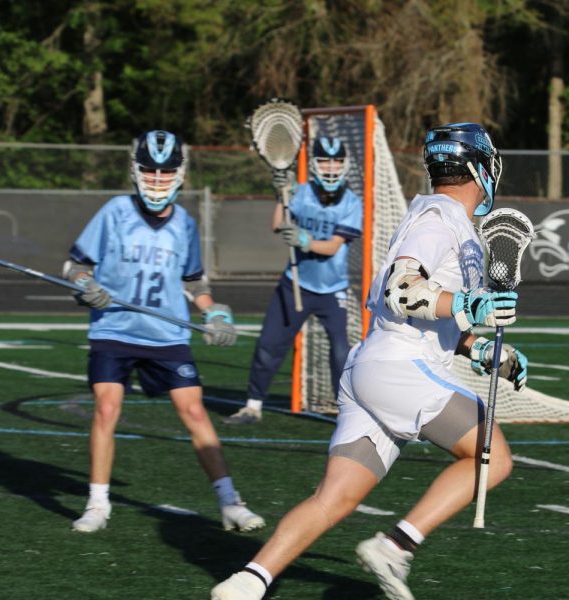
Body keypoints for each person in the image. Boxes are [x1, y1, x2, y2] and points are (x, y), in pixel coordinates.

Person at [211, 122, 528, 600]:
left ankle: (247, 582)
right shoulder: (439, 218)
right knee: (492, 457)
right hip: (400, 367)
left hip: (375, 368)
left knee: (333, 499)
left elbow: (436, 319)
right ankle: (396, 546)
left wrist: (479, 347)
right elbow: (401, 290)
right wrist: (470, 307)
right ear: (481, 167)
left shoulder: (447, 220)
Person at [66, 130, 265, 534]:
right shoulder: (114, 212)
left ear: (180, 174)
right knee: (107, 408)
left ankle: (230, 502)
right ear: (136, 172)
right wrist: (86, 287)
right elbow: (74, 266)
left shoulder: (185, 224)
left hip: (166, 336)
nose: (157, 181)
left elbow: (194, 282)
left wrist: (216, 314)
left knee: (194, 411)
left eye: (166, 173)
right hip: (115, 329)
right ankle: (98, 504)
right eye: (150, 173)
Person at [223, 135, 363, 424]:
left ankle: (347, 412)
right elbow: (278, 224)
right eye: (325, 160)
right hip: (295, 283)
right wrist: (281, 196)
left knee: (340, 350)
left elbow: (333, 247)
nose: (331, 167)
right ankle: (253, 405)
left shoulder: (351, 202)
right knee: (269, 344)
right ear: (314, 164)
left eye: (337, 161)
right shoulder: (301, 193)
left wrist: (303, 240)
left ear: (345, 165)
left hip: (331, 289)